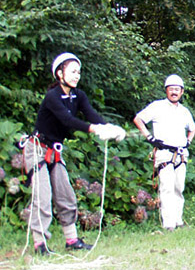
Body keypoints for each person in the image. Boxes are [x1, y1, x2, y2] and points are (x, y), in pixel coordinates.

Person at [21, 52, 125, 255]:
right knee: (43, 197)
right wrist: (95, 130)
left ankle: (72, 240)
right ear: (60, 74)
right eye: (72, 72)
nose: (77, 76)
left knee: (66, 195)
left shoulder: (79, 96)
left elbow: (91, 115)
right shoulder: (52, 97)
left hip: (55, 151)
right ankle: (40, 244)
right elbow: (67, 120)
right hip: (38, 150)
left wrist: (110, 127)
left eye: (79, 72)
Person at [133, 74, 195, 231]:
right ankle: (169, 224)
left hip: (181, 154)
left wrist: (188, 141)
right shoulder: (157, 107)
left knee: (179, 187)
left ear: (182, 92)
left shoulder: (184, 111)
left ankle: (178, 220)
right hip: (164, 152)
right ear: (166, 90)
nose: (174, 92)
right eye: (171, 89)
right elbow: (138, 119)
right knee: (167, 187)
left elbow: (192, 128)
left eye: (177, 89)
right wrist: (150, 137)